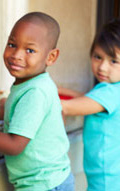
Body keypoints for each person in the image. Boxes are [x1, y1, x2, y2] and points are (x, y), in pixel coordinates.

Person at [0, 12, 74, 191]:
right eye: (12, 44)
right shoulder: (34, 83)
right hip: (50, 180)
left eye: (30, 50)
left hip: (43, 184)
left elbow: (14, 144)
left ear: (51, 57)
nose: (16, 55)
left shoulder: (35, 92)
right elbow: (20, 112)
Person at [58, 18, 120, 191]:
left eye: (113, 61)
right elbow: (89, 99)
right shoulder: (112, 91)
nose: (102, 67)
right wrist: (62, 90)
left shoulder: (110, 92)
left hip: (106, 182)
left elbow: (66, 107)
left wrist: (39, 93)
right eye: (97, 57)